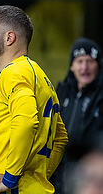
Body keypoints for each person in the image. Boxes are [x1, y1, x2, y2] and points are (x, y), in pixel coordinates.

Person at [0, 5, 68, 194]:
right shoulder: (41, 76)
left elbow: (25, 122)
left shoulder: (13, 73)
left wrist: (11, 178)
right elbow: (60, 138)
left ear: (9, 38)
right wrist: (37, 178)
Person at [51, 37, 103, 194]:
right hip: (60, 175)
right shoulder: (61, 92)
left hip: (90, 177)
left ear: (98, 65)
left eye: (90, 61)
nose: (84, 67)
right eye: (79, 61)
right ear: (72, 66)